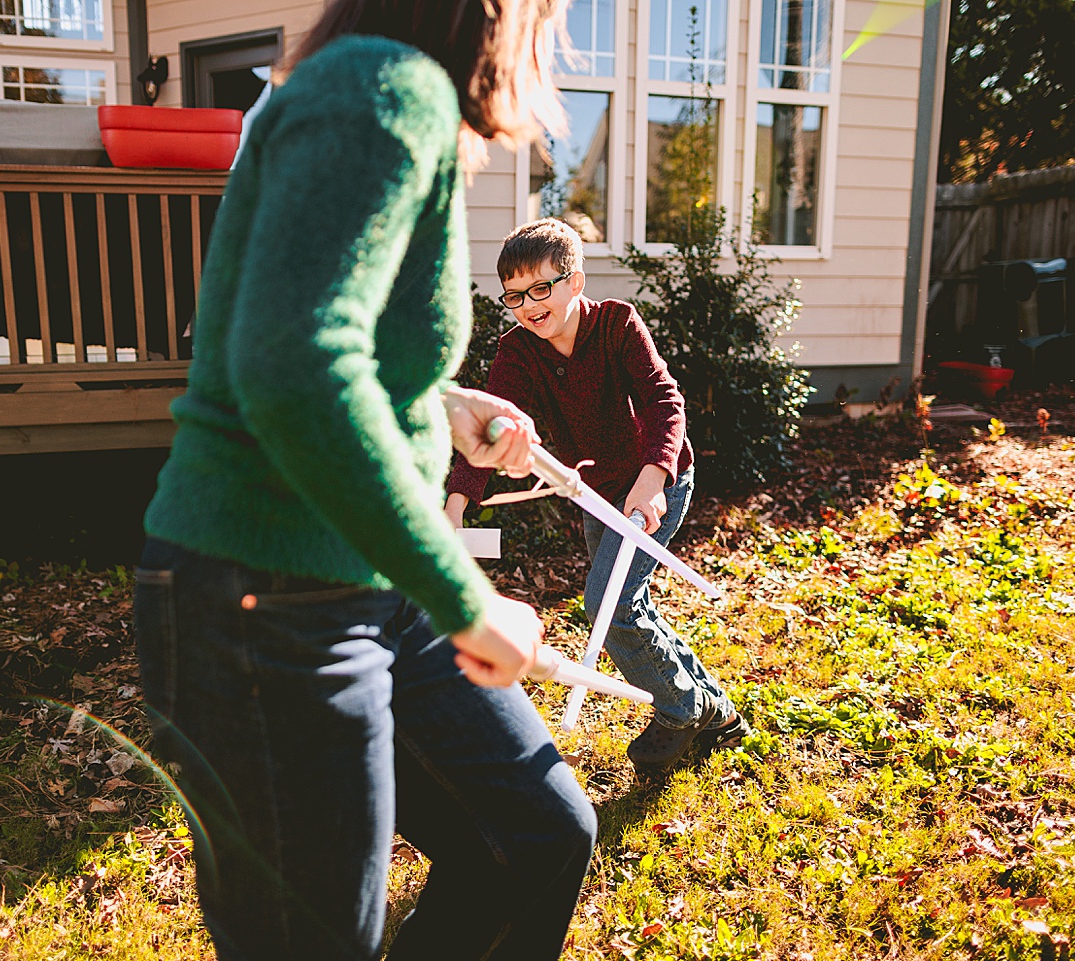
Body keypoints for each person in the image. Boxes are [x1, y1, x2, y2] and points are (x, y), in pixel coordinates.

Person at [133, 2, 597, 959]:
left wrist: (439, 403)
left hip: (366, 582)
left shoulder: (366, 89)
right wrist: (465, 600)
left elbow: (324, 349)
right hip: (262, 599)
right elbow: (287, 364)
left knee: (539, 837)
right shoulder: (383, 87)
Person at [444, 218, 751, 776]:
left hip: (656, 482)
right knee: (627, 605)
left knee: (609, 608)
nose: (529, 305)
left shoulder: (616, 324)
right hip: (594, 492)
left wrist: (654, 478)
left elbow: (664, 398)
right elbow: (491, 430)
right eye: (515, 295)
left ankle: (683, 708)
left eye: (542, 288)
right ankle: (720, 714)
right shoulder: (517, 352)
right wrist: (459, 504)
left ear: (575, 281)